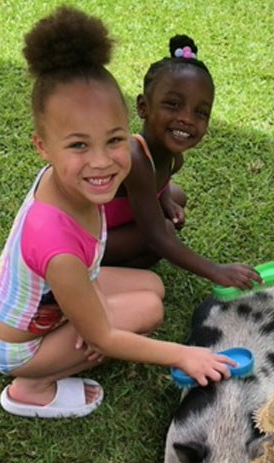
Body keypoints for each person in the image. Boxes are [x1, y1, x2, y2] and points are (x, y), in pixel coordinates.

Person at [0, 6, 235, 419]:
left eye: (114, 140)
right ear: (42, 147)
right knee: (149, 311)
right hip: (15, 346)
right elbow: (106, 336)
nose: (102, 162)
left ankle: (74, 331)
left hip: (29, 303)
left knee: (152, 286)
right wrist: (185, 356)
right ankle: (32, 388)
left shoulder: (71, 185)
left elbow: (90, 268)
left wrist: (93, 317)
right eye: (79, 145)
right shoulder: (57, 243)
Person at [103, 35, 261, 290]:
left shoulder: (173, 158)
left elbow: (160, 184)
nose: (187, 119)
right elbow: (156, 235)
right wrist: (216, 271)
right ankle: (97, 274)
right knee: (163, 230)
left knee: (177, 197)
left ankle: (122, 264)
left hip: (116, 220)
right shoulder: (133, 156)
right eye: (173, 105)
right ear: (143, 107)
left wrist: (164, 199)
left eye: (200, 112)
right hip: (81, 237)